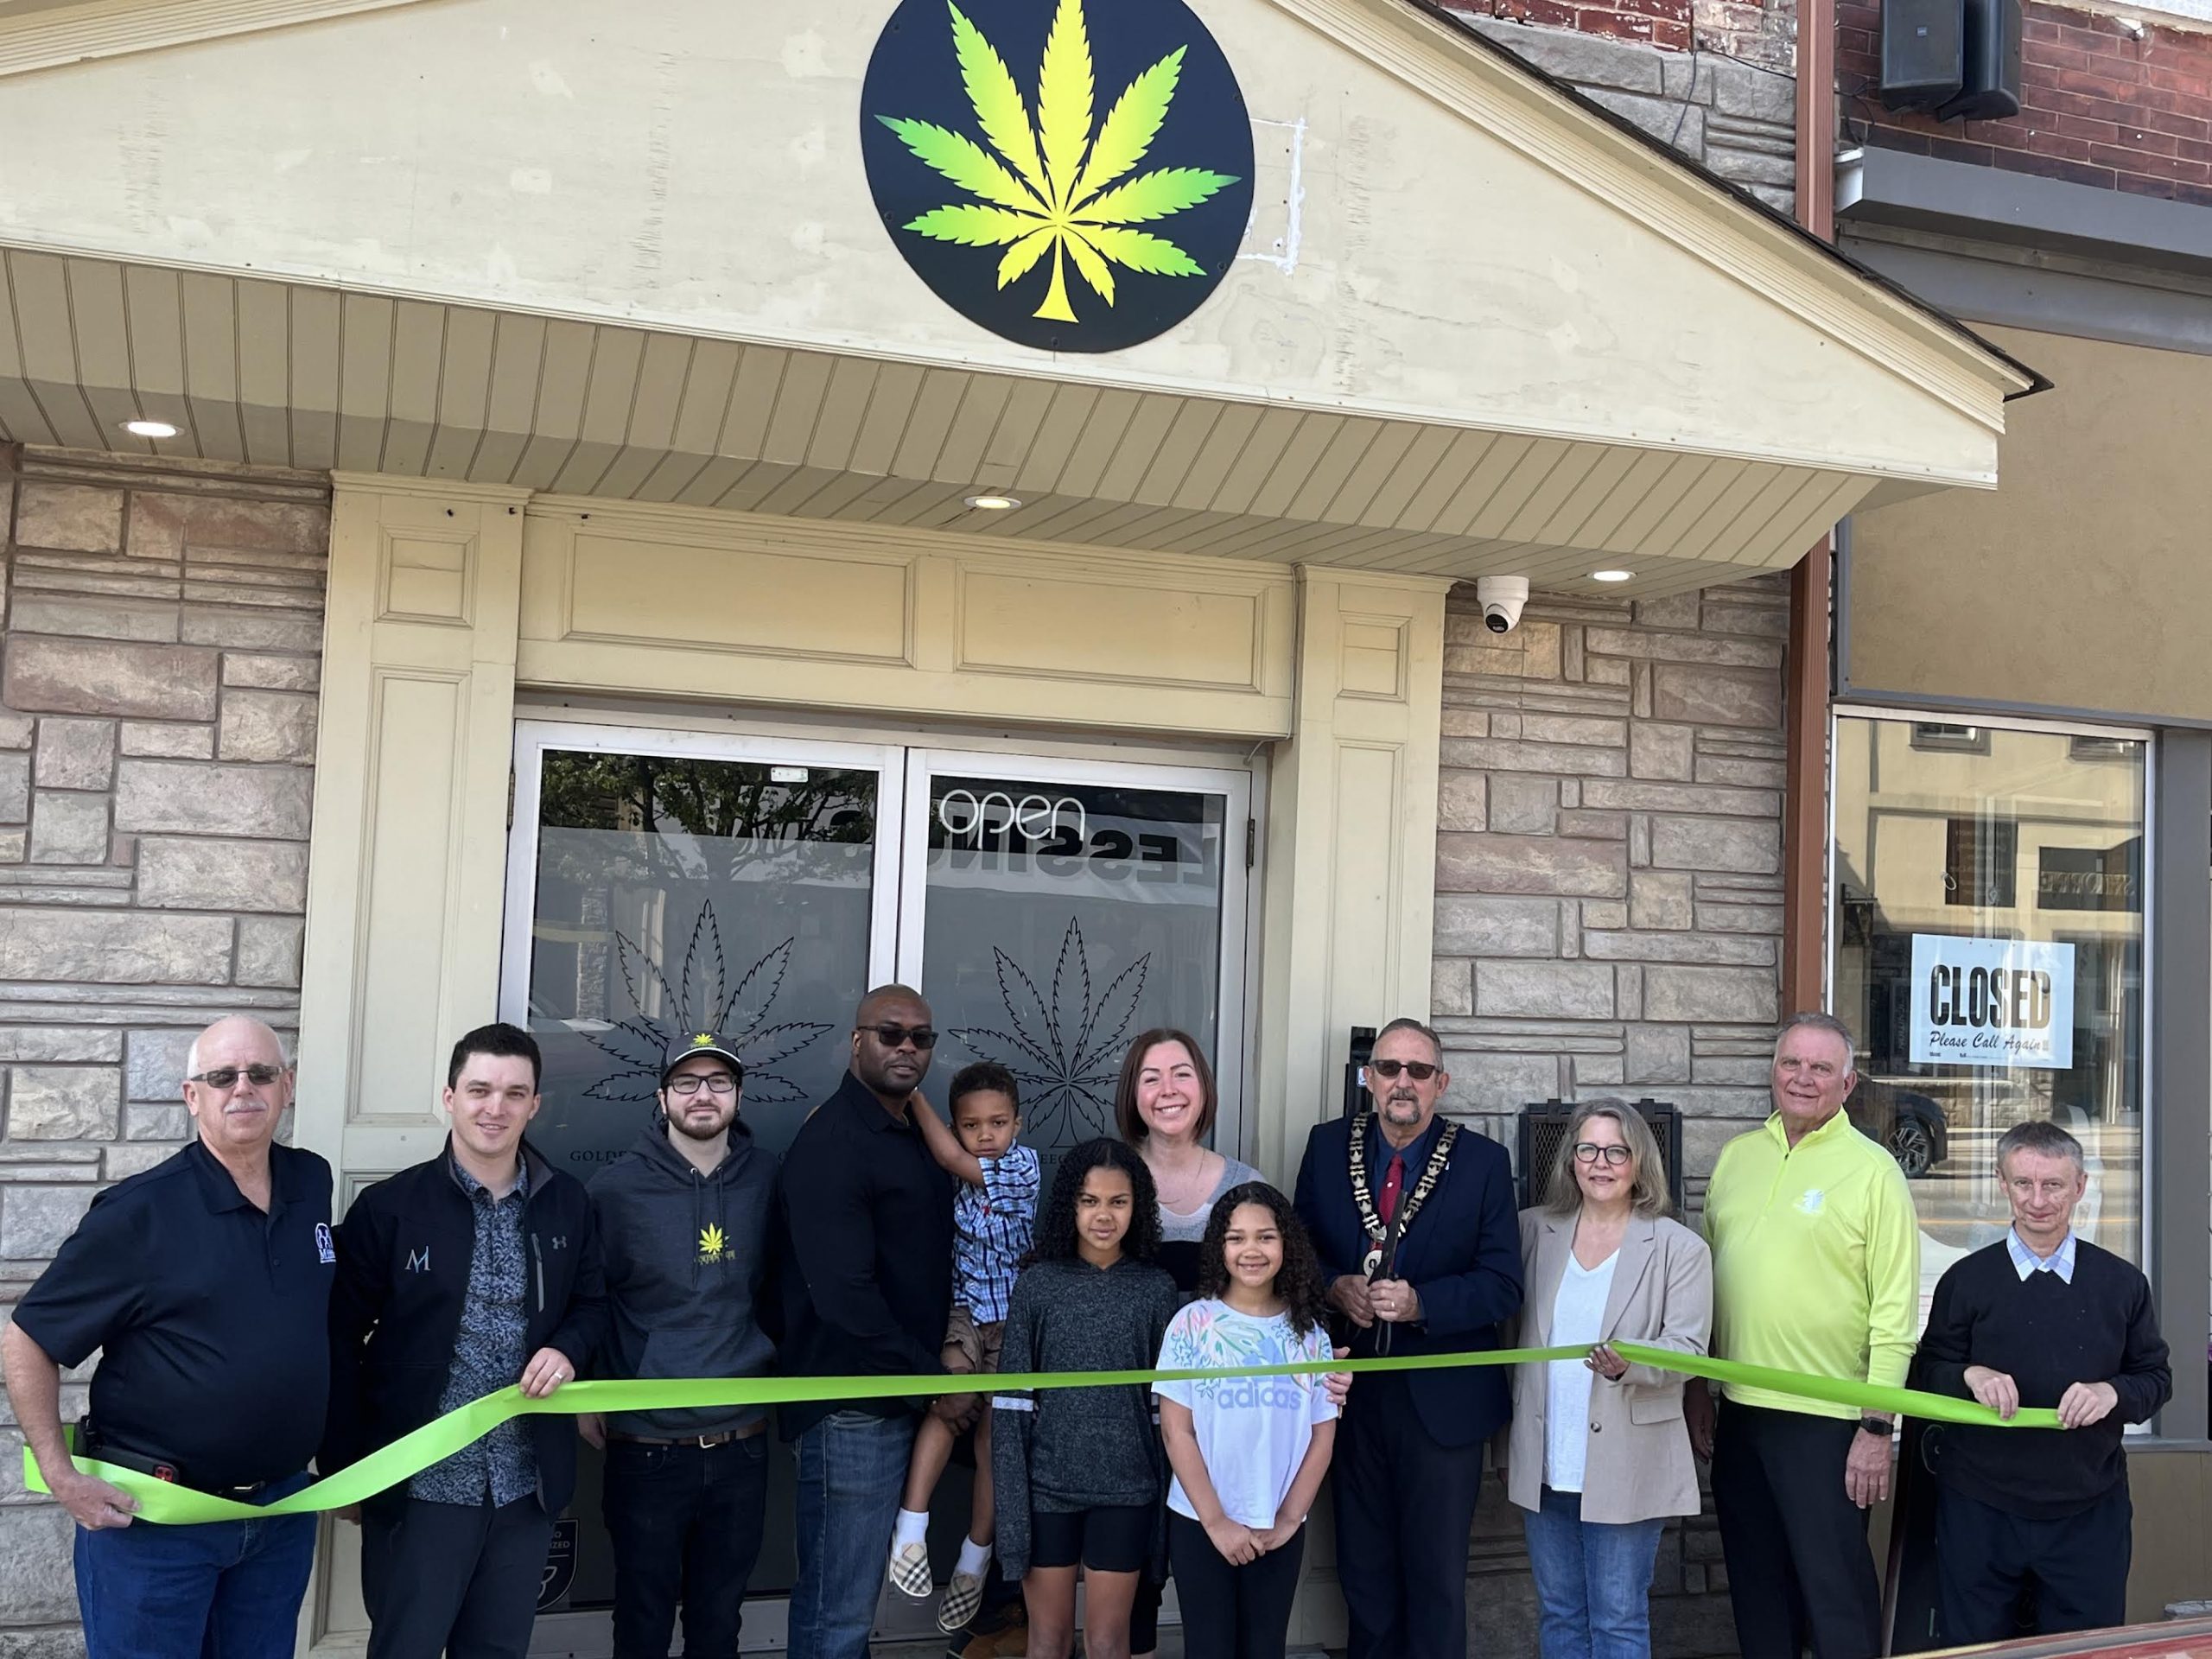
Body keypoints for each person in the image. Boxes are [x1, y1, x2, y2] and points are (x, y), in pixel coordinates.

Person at [1, 1018, 331, 1659]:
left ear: (286, 1086)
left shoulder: (310, 1182)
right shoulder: (139, 1213)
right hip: (156, 1524)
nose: (244, 1088)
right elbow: (28, 1338)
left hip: (278, 1516)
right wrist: (59, 1473)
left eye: (261, 1074)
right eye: (222, 1076)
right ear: (192, 1096)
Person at [325, 1021, 608, 1659]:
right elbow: (338, 1338)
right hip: (418, 1485)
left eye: (514, 1093)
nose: (495, 1108)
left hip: (526, 1484)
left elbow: (593, 1305)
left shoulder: (567, 1203)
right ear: (450, 1097)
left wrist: (568, 1349)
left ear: (535, 1105)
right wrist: (346, 1468)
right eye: (479, 1090)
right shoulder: (391, 1208)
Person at [1687, 1010, 1918, 1659]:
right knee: (1758, 1592)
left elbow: (1895, 1317)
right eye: (1792, 1063)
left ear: (1848, 1084)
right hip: (1740, 1415)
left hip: (1830, 1423)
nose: (1803, 1078)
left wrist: (1876, 1429)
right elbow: (1705, 1289)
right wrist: (1698, 1387)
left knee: (1835, 1598)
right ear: (1773, 1071)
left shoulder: (1874, 1172)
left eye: (1821, 1067)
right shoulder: (1738, 1158)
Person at [1292, 1015, 1522, 1659]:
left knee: (1435, 1580)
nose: (1403, 1082)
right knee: (1363, 1575)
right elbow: (1296, 1252)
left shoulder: (1483, 1162)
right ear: (1369, 1078)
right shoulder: (1326, 1146)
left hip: (1443, 1402)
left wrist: (1424, 1303)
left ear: (1440, 1083)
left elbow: (1504, 1284)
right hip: (1349, 1397)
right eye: (1390, 1068)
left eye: (1419, 1071)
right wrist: (1335, 1286)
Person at [1911, 1119, 2171, 1643]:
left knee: (2085, 1650)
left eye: (2053, 1185)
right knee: (1975, 1650)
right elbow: (1927, 1372)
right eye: (2023, 1183)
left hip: (2088, 1508)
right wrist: (1970, 1374)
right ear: (2001, 1184)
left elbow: (2155, 1379)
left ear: (2079, 1187)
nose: (2037, 1200)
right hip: (1979, 1506)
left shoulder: (2122, 1284)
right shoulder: (1965, 1280)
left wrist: (2112, 1392)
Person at [774, 984, 959, 1659]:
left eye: (921, 1037)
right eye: (890, 1033)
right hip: (852, 1404)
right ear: (856, 1042)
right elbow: (843, 1296)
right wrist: (932, 1381)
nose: (907, 1046)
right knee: (839, 1609)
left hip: (901, 1392)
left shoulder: (912, 1133)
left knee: (850, 1603)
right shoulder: (833, 1141)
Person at [584, 1029, 777, 1659]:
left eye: (719, 1082)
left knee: (718, 1626)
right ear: (662, 1096)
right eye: (687, 1082)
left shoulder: (768, 1181)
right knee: (642, 1624)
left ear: (738, 1095)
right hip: (647, 1448)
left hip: (742, 1443)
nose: (703, 1095)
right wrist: (585, 1391)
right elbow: (586, 1300)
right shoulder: (614, 1191)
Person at [1502, 1101, 1712, 1659]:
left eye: (1617, 1152)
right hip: (1547, 1462)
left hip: (1628, 1463)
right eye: (1589, 1149)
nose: (1601, 1163)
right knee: (1560, 1614)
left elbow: (1690, 1351)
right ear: (1571, 1160)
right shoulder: (1530, 1231)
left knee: (1618, 1620)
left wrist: (1631, 1364)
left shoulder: (1679, 1247)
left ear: (1639, 1163)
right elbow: (1507, 1335)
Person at [993, 1139, 1180, 1659]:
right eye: (1089, 1200)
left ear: (1137, 1207)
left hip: (1127, 1490)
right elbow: (1010, 1410)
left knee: (1106, 1642)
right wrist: (1012, 1512)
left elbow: (1166, 1412)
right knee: (1047, 1641)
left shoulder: (1156, 1289)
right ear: (1069, 1205)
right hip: (1046, 1490)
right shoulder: (1037, 1286)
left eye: (1118, 1202)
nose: (1103, 1215)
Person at [1155, 1182, 1338, 1659]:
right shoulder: (1192, 1324)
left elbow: (1322, 1437)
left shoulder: (1310, 1335)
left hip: (1278, 1526)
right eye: (1235, 1238)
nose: (1251, 1250)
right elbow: (1176, 1431)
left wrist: (1289, 1517)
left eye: (1265, 1237)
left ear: (1287, 1244)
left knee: (1265, 1648)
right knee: (1209, 1649)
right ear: (1219, 1247)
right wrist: (1217, 1522)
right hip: (1200, 1522)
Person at [893, 1062, 1041, 1632]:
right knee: (948, 1405)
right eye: (971, 1126)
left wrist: (914, 1097)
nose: (985, 1135)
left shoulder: (1020, 1166)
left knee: (994, 1436)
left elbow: (953, 1160)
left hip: (1011, 1319)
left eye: (998, 1123)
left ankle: (975, 1558)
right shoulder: (951, 1172)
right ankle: (911, 1528)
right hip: (963, 1311)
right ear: (957, 1127)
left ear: (1017, 1125)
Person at [1118, 1030, 1262, 1294]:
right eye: (1151, 1079)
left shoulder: (1247, 1187)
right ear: (1132, 1094)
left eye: (1182, 1074)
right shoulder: (1106, 1185)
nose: (1168, 1090)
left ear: (1204, 1086)